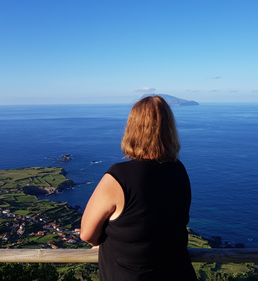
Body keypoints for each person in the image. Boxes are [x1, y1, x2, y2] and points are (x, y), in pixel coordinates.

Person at [80, 95, 197, 281]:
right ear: (169, 130)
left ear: (132, 129)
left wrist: (101, 242)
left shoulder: (119, 176)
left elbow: (87, 233)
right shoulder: (179, 171)